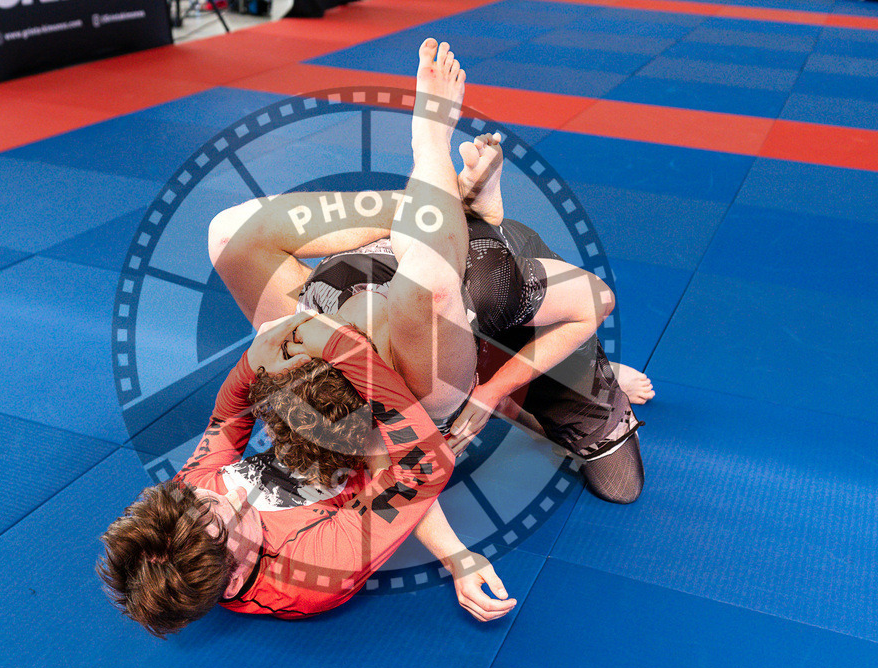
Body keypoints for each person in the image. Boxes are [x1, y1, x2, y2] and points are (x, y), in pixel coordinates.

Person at [207, 40, 646, 505]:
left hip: (462, 261)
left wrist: (430, 135)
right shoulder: (424, 373)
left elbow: (594, 301)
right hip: (452, 306)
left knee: (228, 236)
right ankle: (455, 216)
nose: (364, 308)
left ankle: (454, 205)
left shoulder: (299, 333)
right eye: (368, 325)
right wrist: (490, 395)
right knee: (621, 486)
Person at [99, 311, 456, 632]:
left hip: (318, 412)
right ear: (235, 578)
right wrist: (343, 348)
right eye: (230, 514)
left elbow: (225, 419)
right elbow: (422, 467)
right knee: (393, 313)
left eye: (201, 495)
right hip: (387, 437)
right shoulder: (316, 568)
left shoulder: (186, 510)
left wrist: (253, 362)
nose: (235, 493)